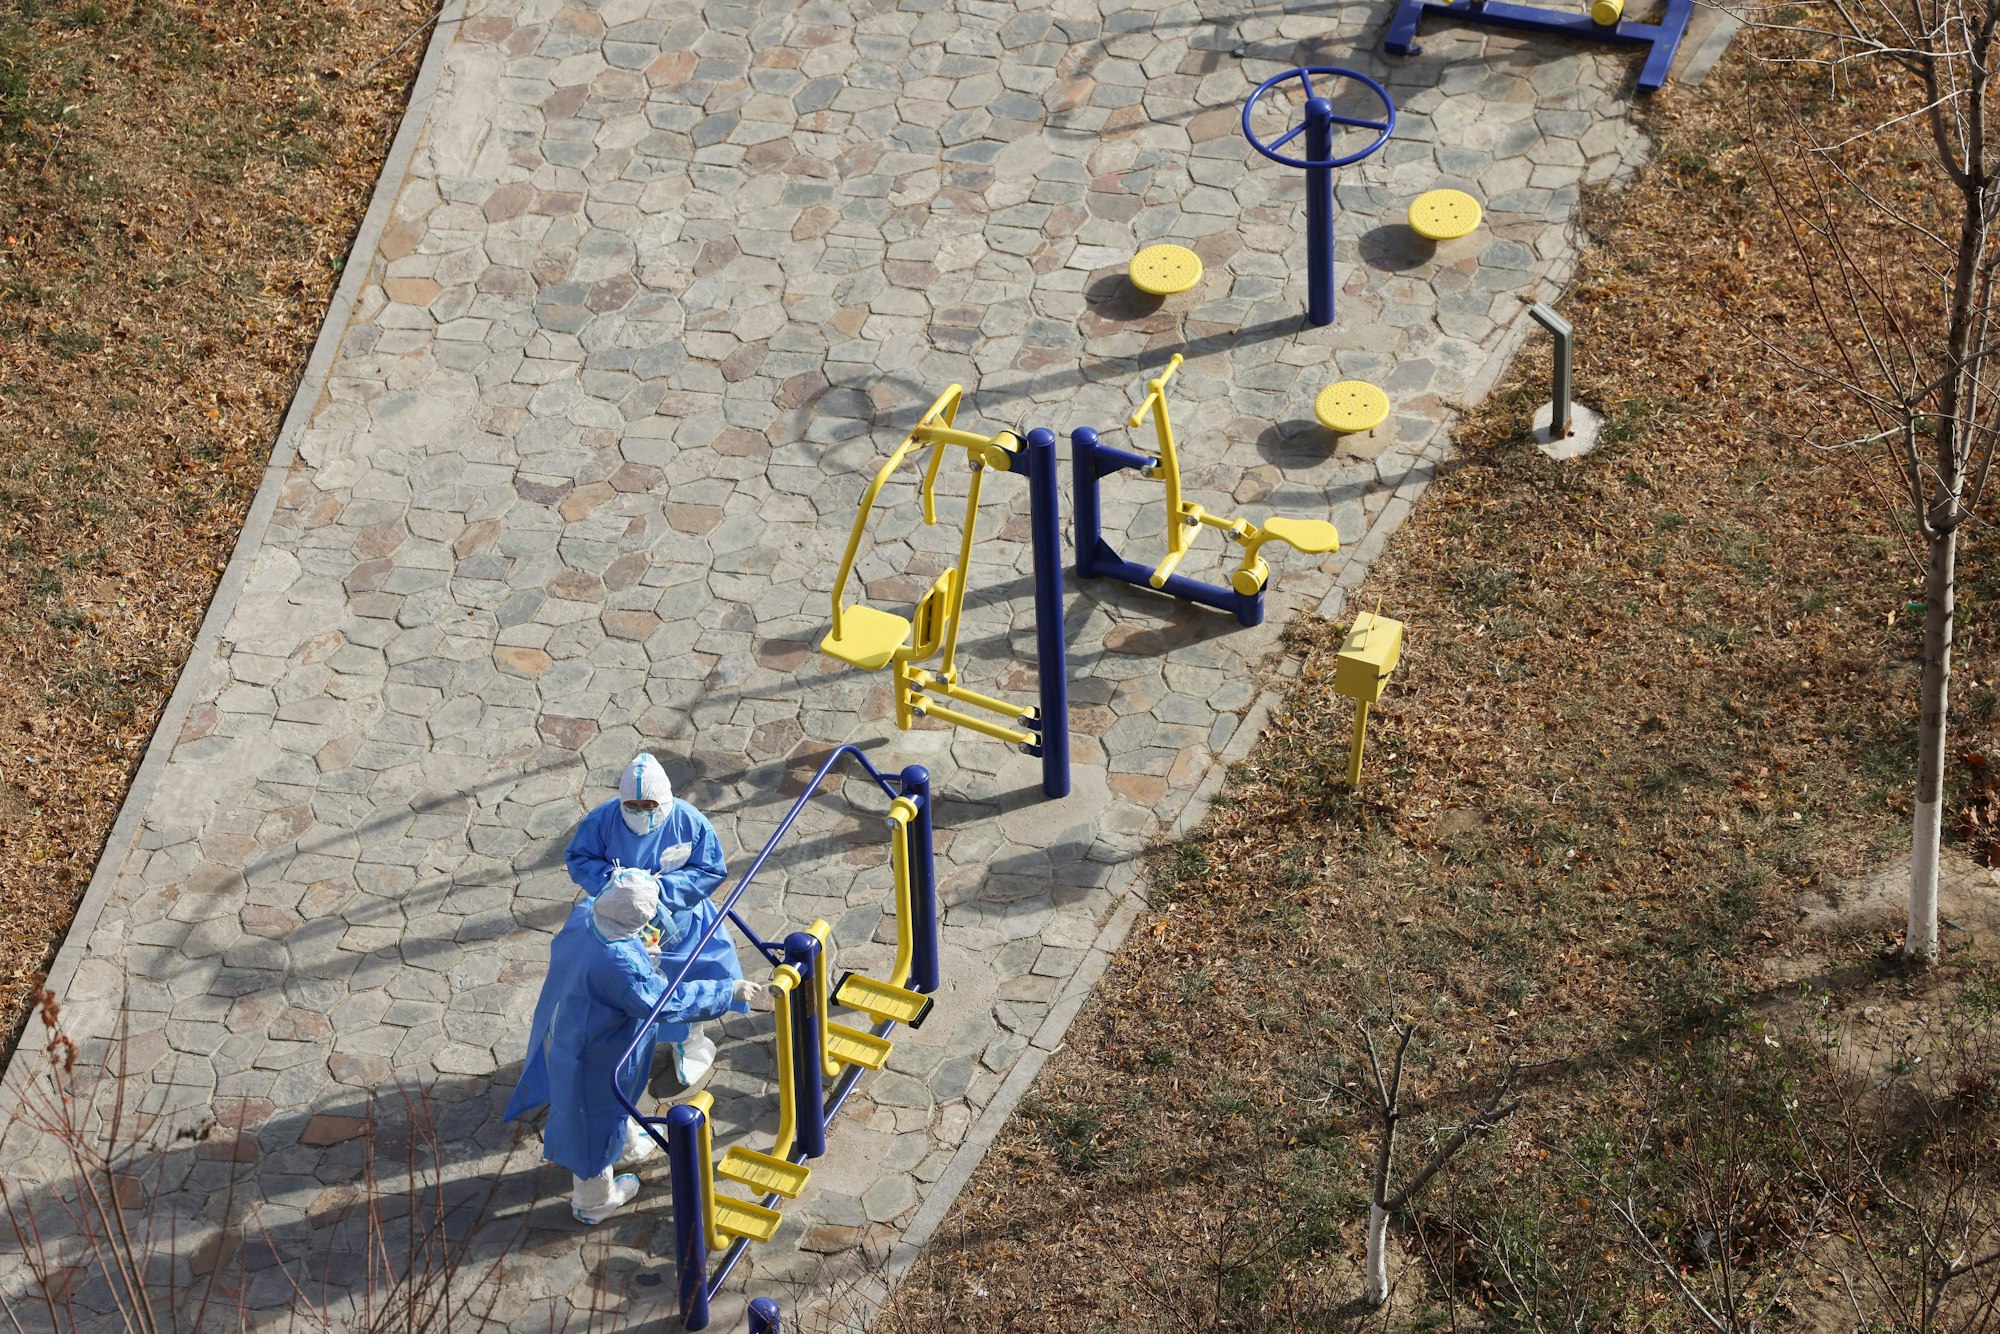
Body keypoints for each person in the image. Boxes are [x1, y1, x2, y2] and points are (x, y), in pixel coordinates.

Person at [504, 870, 765, 1224]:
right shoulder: (619, 963)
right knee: (591, 1126)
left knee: (609, 1108)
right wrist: (725, 991)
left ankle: (625, 1146)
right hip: (595, 1056)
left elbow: (610, 952)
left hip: (574, 1033)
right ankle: (593, 1202)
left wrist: (638, 950)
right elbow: (662, 1002)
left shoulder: (586, 917)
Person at [565, 752, 749, 1085]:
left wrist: (661, 889)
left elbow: (710, 870)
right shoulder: (601, 821)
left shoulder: (689, 822)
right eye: (632, 806)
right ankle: (636, 1044)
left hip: (682, 926)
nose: (641, 813)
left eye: (650, 806)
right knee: (633, 991)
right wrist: (618, 883)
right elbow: (579, 858)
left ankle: (691, 1042)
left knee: (685, 981)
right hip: (623, 926)